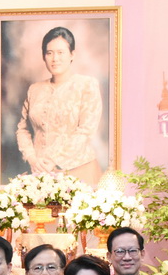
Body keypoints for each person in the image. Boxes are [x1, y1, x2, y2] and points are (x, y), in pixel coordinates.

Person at [15, 25, 103, 185]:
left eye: (61, 52)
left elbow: (85, 131)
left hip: (79, 171)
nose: (55, 59)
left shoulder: (86, 85)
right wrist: (33, 159)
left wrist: (53, 160)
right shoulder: (34, 90)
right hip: (41, 172)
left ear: (72, 54)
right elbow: (23, 129)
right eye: (49, 53)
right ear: (44, 57)